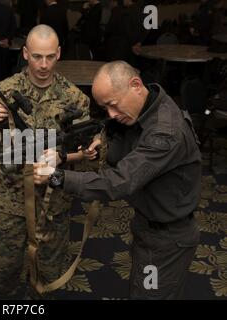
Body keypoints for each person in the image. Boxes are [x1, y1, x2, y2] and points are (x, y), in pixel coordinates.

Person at [39, 61, 201, 299]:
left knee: (149, 295)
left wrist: (56, 178)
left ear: (135, 85)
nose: (111, 114)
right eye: (105, 108)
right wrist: (103, 144)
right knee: (142, 290)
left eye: (113, 105)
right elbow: (125, 141)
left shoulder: (165, 133)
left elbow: (118, 182)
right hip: (149, 228)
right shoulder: (145, 108)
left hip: (166, 239)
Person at [0, 24, 94, 299]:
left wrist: (61, 156)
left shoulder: (74, 98)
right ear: (25, 53)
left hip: (53, 204)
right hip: (8, 202)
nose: (44, 64)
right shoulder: (2, 91)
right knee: (2, 275)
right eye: (37, 56)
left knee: (49, 280)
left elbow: (86, 151)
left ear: (59, 53)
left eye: (50, 56)